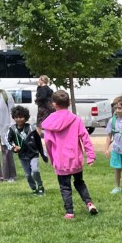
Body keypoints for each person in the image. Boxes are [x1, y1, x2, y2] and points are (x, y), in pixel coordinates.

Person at [41, 90, 98, 220]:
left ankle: (70, 212)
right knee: (79, 182)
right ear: (69, 103)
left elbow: (48, 143)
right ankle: (89, 203)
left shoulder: (50, 122)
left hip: (60, 160)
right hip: (75, 159)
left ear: (54, 104)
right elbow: (85, 138)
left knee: (65, 187)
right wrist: (90, 156)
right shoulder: (75, 120)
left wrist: (52, 158)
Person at [7, 106, 48, 196]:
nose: (19, 119)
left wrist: (43, 154)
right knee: (28, 175)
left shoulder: (31, 128)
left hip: (33, 154)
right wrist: (14, 148)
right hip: (23, 156)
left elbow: (38, 142)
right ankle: (34, 189)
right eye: (16, 117)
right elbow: (7, 141)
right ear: (14, 117)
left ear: (25, 117)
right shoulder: (12, 129)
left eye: (21, 117)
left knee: (35, 171)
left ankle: (40, 186)